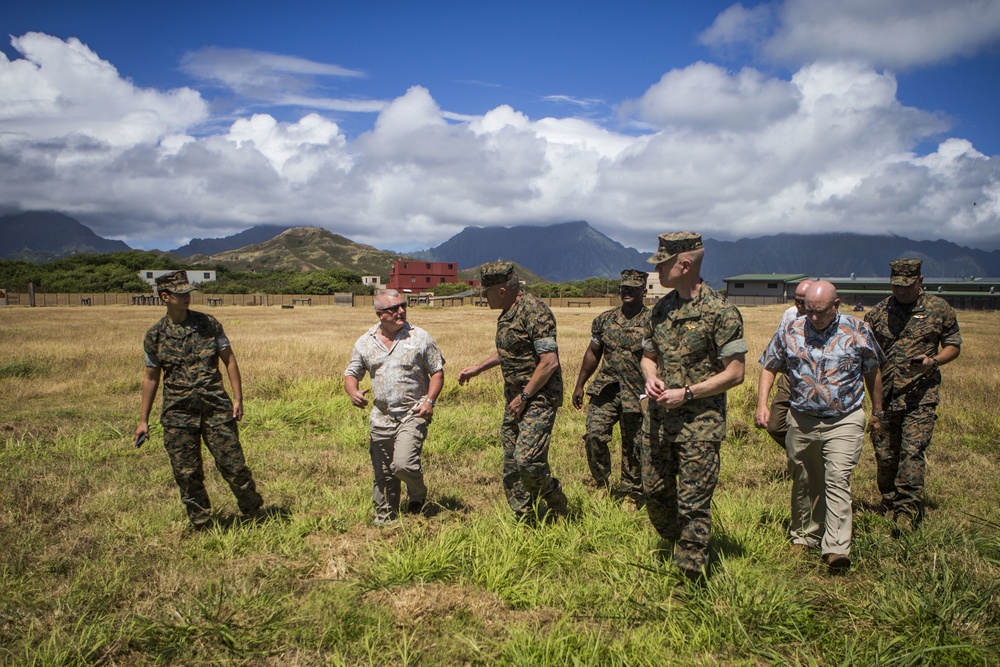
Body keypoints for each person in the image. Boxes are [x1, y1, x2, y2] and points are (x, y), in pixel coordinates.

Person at [756, 281, 884, 571]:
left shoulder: (857, 331)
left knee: (837, 478)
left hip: (845, 419)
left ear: (836, 305)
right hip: (802, 419)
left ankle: (836, 548)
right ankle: (803, 536)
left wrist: (877, 410)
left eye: (820, 312)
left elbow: (873, 370)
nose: (813, 317)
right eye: (809, 310)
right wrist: (762, 404)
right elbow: (769, 365)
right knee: (803, 479)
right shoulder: (792, 329)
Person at [640, 232, 747, 581]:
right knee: (655, 492)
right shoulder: (661, 308)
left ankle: (689, 577)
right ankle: (675, 543)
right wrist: (651, 376)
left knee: (693, 502)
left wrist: (687, 393)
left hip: (701, 424)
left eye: (663, 264)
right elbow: (648, 355)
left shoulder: (721, 312)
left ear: (684, 265)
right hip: (658, 421)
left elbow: (735, 373)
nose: (657, 270)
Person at [134, 270, 264, 529]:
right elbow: (151, 378)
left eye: (187, 292)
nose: (186, 297)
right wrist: (143, 420)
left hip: (216, 408)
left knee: (233, 465)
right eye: (180, 293)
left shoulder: (209, 324)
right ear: (165, 296)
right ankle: (202, 522)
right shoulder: (155, 336)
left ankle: (254, 513)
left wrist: (238, 398)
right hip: (177, 413)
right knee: (187, 472)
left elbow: (230, 360)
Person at [458, 261, 569, 522]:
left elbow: (549, 362)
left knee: (527, 459)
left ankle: (555, 499)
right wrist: (478, 368)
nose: (484, 298)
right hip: (516, 398)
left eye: (486, 293)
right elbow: (512, 349)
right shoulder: (509, 312)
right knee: (511, 463)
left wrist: (525, 397)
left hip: (538, 397)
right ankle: (524, 517)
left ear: (502, 291)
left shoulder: (535, 312)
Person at [864, 259, 961, 534]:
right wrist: (875, 405)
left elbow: (953, 345)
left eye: (907, 286)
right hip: (884, 395)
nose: (901, 291)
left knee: (911, 451)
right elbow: (867, 358)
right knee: (885, 454)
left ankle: (907, 512)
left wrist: (934, 361)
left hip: (921, 394)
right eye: (896, 286)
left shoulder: (939, 309)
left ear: (919, 281)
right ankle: (890, 502)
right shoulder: (877, 313)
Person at [344, 289, 444, 526]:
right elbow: (351, 373)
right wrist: (353, 392)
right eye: (393, 308)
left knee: (403, 464)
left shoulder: (420, 337)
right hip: (381, 417)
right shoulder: (365, 343)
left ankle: (417, 492)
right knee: (383, 473)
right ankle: (385, 519)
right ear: (380, 314)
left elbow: (437, 372)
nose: (401, 311)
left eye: (403, 306)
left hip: (414, 412)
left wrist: (429, 401)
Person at [571, 269, 650, 508]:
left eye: (633, 288)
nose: (627, 292)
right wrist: (580, 384)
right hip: (606, 388)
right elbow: (593, 353)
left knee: (634, 443)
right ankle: (602, 483)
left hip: (638, 392)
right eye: (624, 288)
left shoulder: (653, 321)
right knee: (594, 434)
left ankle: (631, 492)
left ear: (643, 291)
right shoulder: (605, 320)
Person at [762, 280, 814, 449]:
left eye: (803, 301)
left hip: (817, 379)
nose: (799, 305)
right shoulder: (790, 315)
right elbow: (771, 360)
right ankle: (801, 454)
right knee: (775, 426)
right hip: (790, 376)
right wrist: (761, 404)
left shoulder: (831, 317)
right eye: (796, 300)